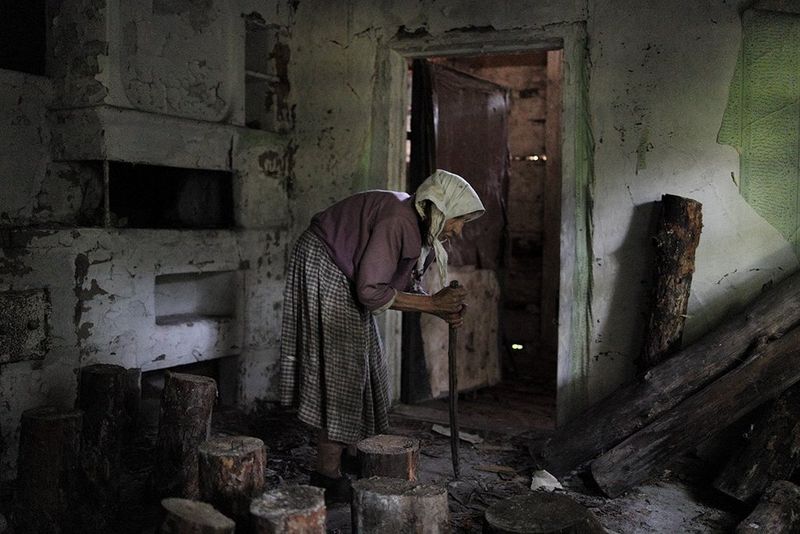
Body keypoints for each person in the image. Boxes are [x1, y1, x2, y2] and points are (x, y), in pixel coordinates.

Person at [279, 169, 485, 502]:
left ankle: (351, 450)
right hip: (324, 261)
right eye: (459, 219)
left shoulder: (426, 232)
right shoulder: (398, 221)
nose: (459, 230)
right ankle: (326, 475)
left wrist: (440, 307)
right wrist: (432, 303)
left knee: (370, 365)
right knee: (343, 369)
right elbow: (371, 293)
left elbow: (402, 285)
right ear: (438, 208)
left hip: (350, 272)